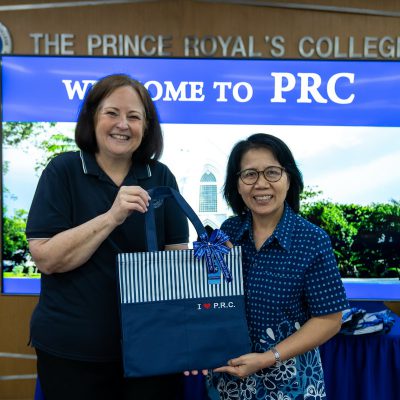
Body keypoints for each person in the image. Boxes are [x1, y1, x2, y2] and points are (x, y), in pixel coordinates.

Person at [26, 74, 189, 400]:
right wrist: (112, 216)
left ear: (147, 126)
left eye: (134, 116)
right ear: (92, 118)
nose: (123, 125)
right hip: (73, 351)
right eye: (112, 113)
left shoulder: (160, 176)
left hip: (151, 349)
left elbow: (176, 260)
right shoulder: (63, 171)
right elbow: (46, 258)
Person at [209, 133, 349, 399]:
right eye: (249, 174)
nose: (261, 184)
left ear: (289, 179)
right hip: (230, 382)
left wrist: (267, 358)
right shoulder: (229, 231)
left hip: (290, 385)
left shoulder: (311, 239)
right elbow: (211, 298)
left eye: (272, 172)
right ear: (237, 184)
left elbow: (330, 320)